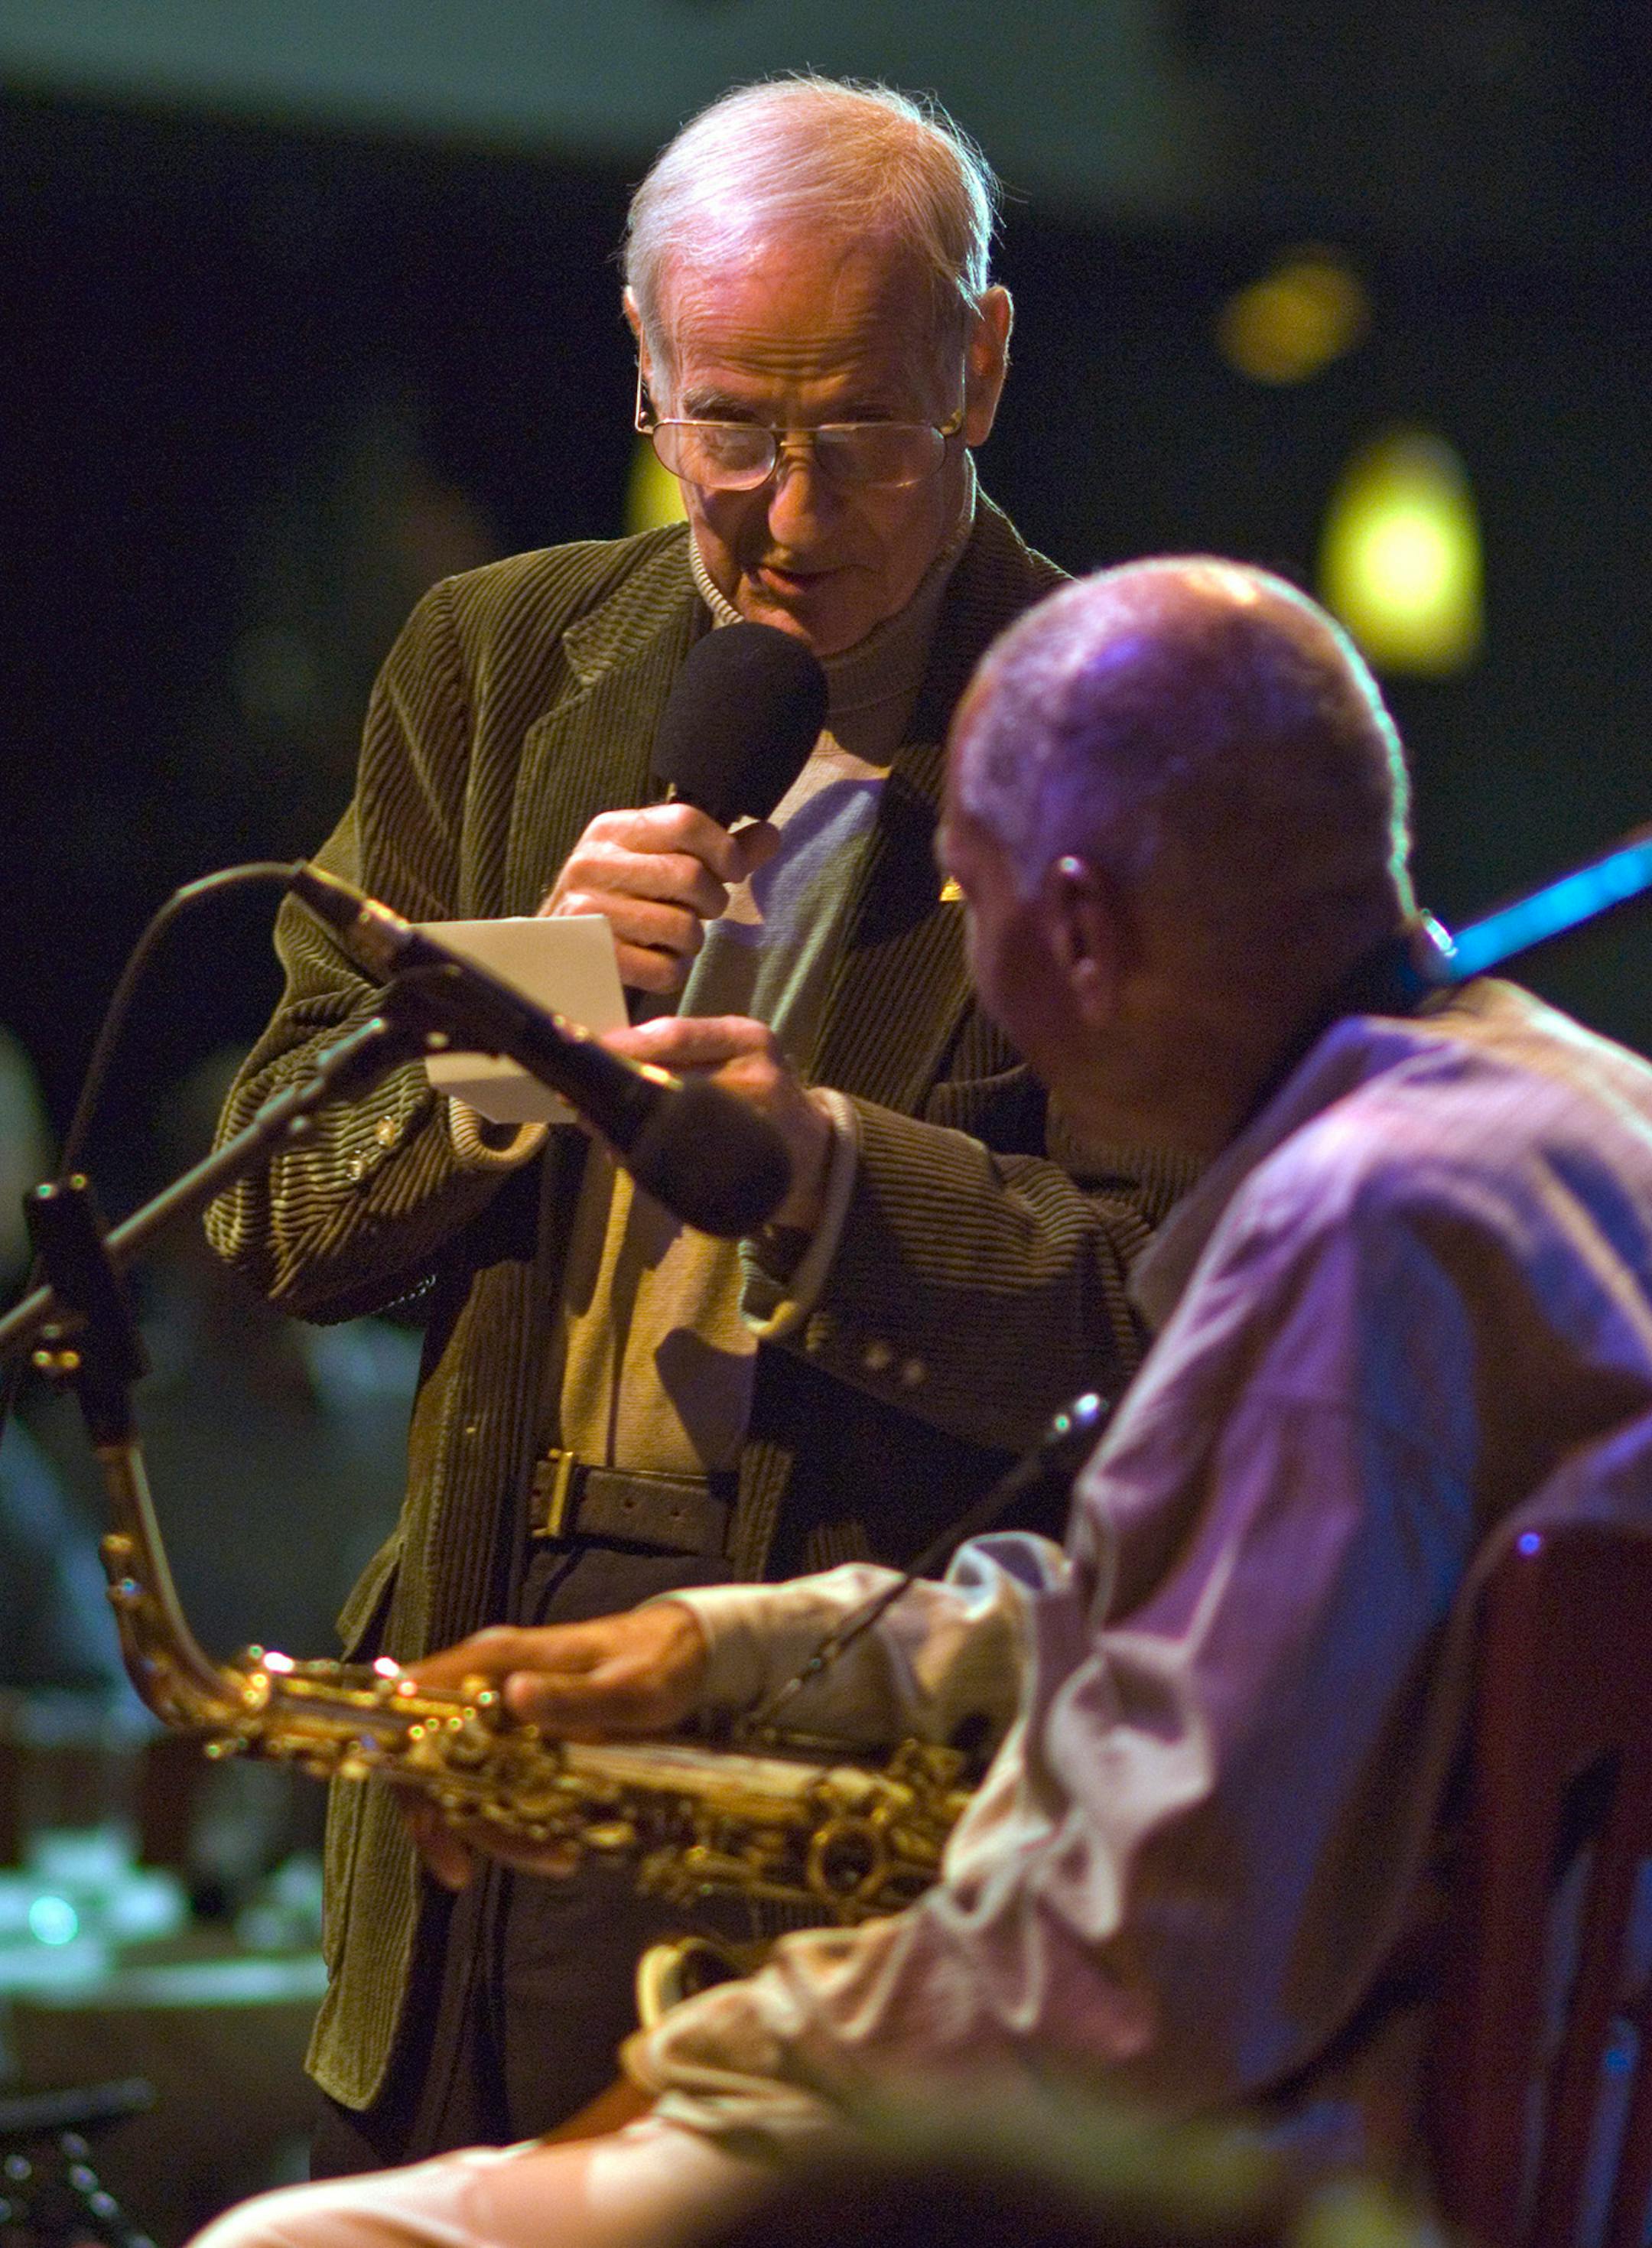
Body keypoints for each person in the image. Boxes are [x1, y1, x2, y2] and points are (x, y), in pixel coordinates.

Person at [191, 559, 1652, 2248]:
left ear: (1081, 926)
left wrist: (706, 2058)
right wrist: (734, 1652)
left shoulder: (1357, 1233)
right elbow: (1227, 1615)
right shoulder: (1563, 1108)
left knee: (299, 2241)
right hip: (1527, 2110)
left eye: (972, 898)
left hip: (1282, 2165)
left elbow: (1131, 1980)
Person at [208, 78, 1194, 2163]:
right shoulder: (496, 661)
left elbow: (1179, 1318)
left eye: (860, 430)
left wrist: (831, 1176)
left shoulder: (1131, 730)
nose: (788, 510)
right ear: (642, 371)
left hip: (873, 1735)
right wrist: (534, 1005)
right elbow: (277, 1215)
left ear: (985, 367)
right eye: (728, 425)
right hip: (495, 1669)